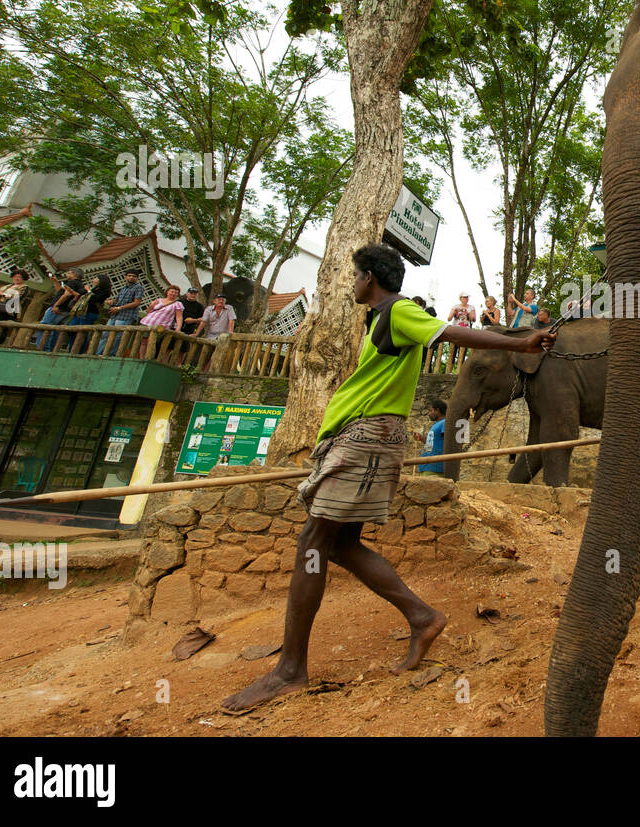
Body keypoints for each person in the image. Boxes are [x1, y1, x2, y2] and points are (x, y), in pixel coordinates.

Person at [220, 243, 554, 713]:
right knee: (337, 544)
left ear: (370, 277)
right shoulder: (378, 321)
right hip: (358, 436)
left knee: (312, 544)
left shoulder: (398, 312)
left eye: (355, 276)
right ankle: (421, 617)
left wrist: (521, 342)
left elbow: (453, 333)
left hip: (367, 438)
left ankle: (290, 671)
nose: (352, 283)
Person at [97, 271, 146, 355]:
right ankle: (98, 353)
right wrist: (111, 302)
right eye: (129, 275)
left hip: (126, 316)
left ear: (137, 278)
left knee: (117, 337)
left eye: (133, 276)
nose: (131, 277)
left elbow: (137, 302)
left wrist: (119, 308)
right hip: (115, 315)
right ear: (125, 277)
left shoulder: (138, 288)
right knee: (105, 334)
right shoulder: (124, 288)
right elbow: (117, 300)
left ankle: (111, 355)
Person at [38, 268, 87, 350]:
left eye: (69, 273)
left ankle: (42, 346)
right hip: (67, 310)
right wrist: (55, 281)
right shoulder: (79, 285)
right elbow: (60, 291)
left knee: (46, 325)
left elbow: (66, 295)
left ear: (74, 274)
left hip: (60, 308)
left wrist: (56, 305)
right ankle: (51, 348)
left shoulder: (72, 283)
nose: (66, 274)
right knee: (57, 330)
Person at [412, 399, 447, 475]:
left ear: (437, 410)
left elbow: (448, 440)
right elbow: (432, 444)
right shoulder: (436, 424)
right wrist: (421, 438)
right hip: (426, 467)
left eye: (431, 411)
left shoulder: (445, 423)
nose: (429, 414)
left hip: (435, 467)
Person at [446, 292, 475, 367]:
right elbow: (449, 318)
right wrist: (454, 312)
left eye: (467, 297)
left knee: (462, 351)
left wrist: (467, 313)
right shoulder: (455, 306)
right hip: (455, 330)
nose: (466, 299)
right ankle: (449, 369)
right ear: (460, 298)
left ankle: (460, 369)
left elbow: (474, 319)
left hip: (466, 330)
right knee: (452, 350)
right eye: (464, 297)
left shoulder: (471, 307)